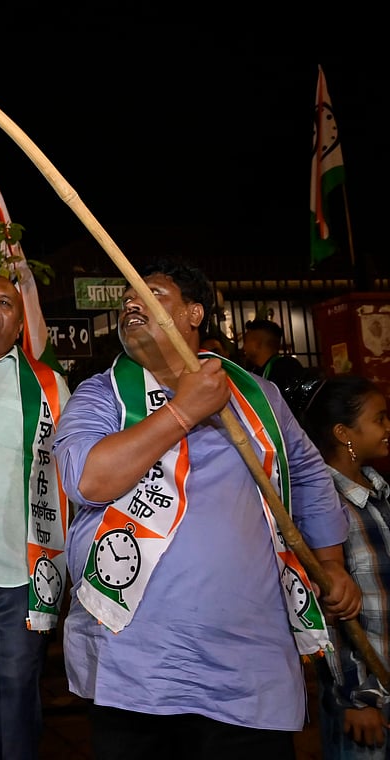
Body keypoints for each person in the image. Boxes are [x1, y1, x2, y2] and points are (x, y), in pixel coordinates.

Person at [53, 258, 361, 758]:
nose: (132, 301)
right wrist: (183, 411)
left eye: (150, 293)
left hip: (249, 663)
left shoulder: (257, 395)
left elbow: (305, 475)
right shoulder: (100, 394)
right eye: (128, 295)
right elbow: (86, 479)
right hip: (138, 667)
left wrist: (330, 565)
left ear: (194, 314)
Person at [0, 273, 70, 760]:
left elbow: (71, 480)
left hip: (12, 581)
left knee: (10, 716)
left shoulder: (48, 388)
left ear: (21, 321)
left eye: (4, 302)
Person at [299, 375, 390, 759]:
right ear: (343, 432)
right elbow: (331, 615)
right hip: (367, 700)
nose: (388, 428)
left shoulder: (379, 491)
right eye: (380, 419)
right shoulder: (326, 509)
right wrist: (358, 698)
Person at [242, 318, 306, 396]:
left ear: (256, 344)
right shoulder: (255, 371)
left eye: (245, 341)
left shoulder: (286, 368)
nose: (243, 347)